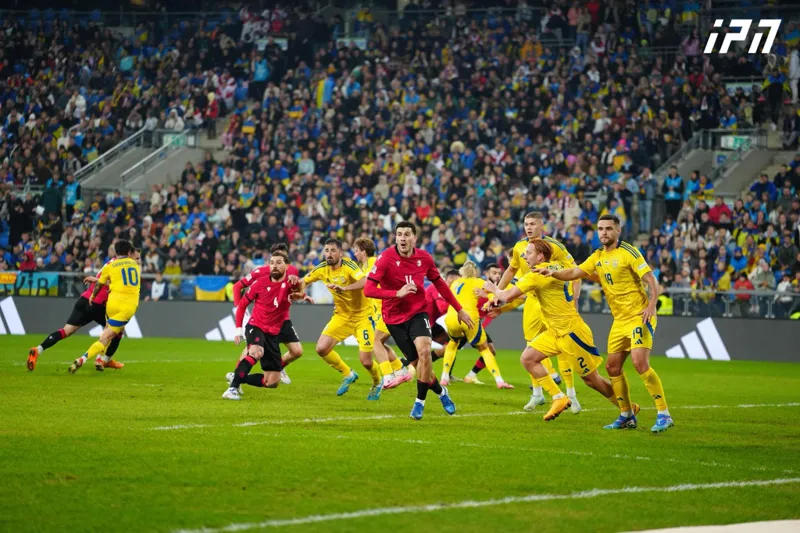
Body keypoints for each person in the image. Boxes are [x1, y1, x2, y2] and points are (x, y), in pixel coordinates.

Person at [542, 214, 673, 433]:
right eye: (601, 229)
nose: (604, 233)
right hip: (619, 320)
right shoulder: (597, 256)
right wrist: (552, 272)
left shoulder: (629, 252)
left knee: (640, 363)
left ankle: (663, 413)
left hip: (638, 317)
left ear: (618, 231)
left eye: (608, 229)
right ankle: (626, 415)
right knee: (612, 367)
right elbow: (575, 272)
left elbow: (650, 279)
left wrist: (651, 305)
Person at [488, 239, 629, 422]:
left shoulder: (537, 274)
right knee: (528, 358)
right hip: (554, 332)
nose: (524, 255)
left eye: (528, 252)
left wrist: (492, 289)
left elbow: (507, 295)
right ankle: (558, 397)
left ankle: (627, 409)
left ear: (540, 256)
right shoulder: (557, 266)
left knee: (592, 380)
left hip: (571, 333)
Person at [364, 221, 473, 420]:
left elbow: (440, 283)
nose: (403, 238)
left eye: (407, 234)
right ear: (395, 237)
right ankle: (442, 393)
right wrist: (396, 293)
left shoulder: (424, 258)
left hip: (417, 313)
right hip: (394, 318)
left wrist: (459, 309)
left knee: (425, 353)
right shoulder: (385, 258)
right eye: (399, 234)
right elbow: (368, 289)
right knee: (420, 365)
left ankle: (419, 402)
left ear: (415, 237)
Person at [496, 211, 581, 413]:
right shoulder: (519, 247)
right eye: (526, 223)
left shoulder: (556, 246)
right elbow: (511, 270)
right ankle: (537, 394)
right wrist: (497, 293)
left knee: (562, 346)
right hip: (532, 301)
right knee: (531, 347)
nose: (529, 227)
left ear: (542, 225)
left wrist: (574, 300)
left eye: (533, 223)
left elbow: (575, 271)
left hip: (554, 301)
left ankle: (571, 395)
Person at [296, 238, 382, 398]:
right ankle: (348, 373)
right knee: (321, 348)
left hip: (362, 317)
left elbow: (364, 281)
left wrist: (345, 288)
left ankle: (377, 382)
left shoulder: (349, 265)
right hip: (342, 317)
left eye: (333, 250)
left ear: (340, 253)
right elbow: (303, 282)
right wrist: (297, 291)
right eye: (326, 250)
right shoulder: (322, 268)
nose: (329, 254)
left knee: (366, 361)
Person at [27, 244, 124, 371]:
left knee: (66, 330)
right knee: (116, 331)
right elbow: (112, 283)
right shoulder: (119, 266)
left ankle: (38, 350)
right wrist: (97, 280)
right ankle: (104, 359)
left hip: (84, 300)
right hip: (97, 304)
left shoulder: (109, 263)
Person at [222, 249, 302, 399]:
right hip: (256, 326)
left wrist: (304, 295)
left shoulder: (290, 280)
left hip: (274, 330)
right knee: (256, 351)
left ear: (286, 265)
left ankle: (238, 377)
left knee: (272, 382)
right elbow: (242, 302)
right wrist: (238, 329)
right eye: (272, 262)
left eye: (279, 262)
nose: (274, 266)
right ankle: (232, 389)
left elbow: (299, 290)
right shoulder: (259, 282)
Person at [68, 240, 140, 373]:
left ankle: (98, 359)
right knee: (106, 337)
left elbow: (100, 284)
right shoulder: (135, 265)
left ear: (115, 252)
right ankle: (86, 359)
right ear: (129, 253)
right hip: (126, 307)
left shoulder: (110, 266)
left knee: (106, 335)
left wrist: (92, 296)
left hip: (111, 305)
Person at [439, 261, 513, 389]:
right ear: (475, 272)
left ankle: (444, 377)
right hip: (469, 318)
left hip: (452, 317)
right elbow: (495, 294)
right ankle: (499, 381)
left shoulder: (456, 283)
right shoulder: (478, 281)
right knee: (485, 349)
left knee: (452, 344)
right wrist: (488, 296)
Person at [352, 237, 410, 389]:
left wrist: (345, 288)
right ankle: (400, 370)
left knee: (375, 341)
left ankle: (387, 375)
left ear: (364, 252)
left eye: (357, 250)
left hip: (386, 308)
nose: (355, 254)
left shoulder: (373, 263)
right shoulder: (365, 266)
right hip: (378, 311)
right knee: (381, 343)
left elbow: (366, 284)